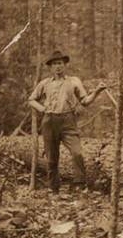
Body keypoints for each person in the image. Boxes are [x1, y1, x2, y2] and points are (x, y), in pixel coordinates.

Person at [28, 50, 106, 193]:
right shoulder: (44, 83)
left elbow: (85, 101)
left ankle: (79, 184)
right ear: (50, 67)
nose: (58, 67)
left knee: (77, 153)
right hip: (49, 121)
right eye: (54, 64)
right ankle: (53, 188)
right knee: (52, 158)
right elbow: (31, 99)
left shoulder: (74, 81)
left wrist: (97, 91)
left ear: (65, 65)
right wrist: (43, 109)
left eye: (60, 63)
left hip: (68, 121)